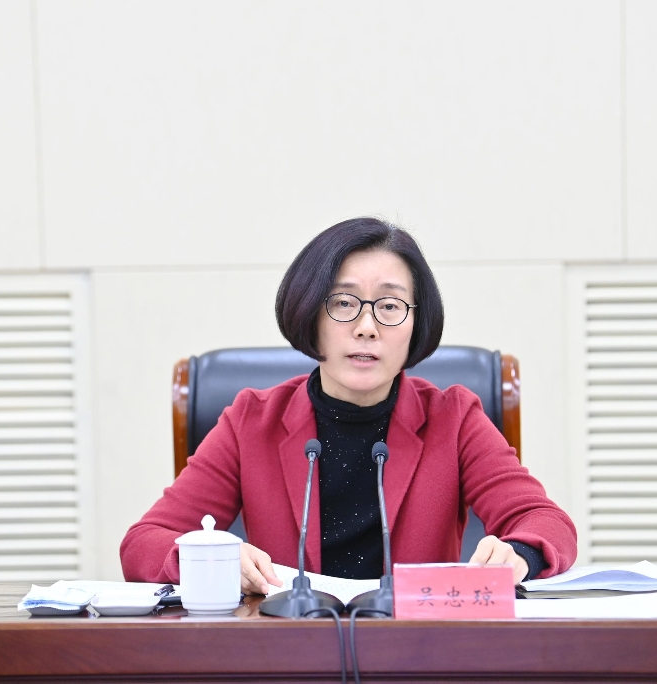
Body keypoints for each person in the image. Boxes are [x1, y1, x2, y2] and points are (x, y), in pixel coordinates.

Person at [120, 217, 577, 594]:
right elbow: (143, 543)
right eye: (343, 302)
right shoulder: (252, 422)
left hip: (416, 653)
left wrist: (519, 554)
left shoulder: (453, 419)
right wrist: (210, 559)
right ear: (310, 314)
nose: (366, 327)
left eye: (390, 306)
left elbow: (547, 522)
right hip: (290, 652)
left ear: (416, 324)